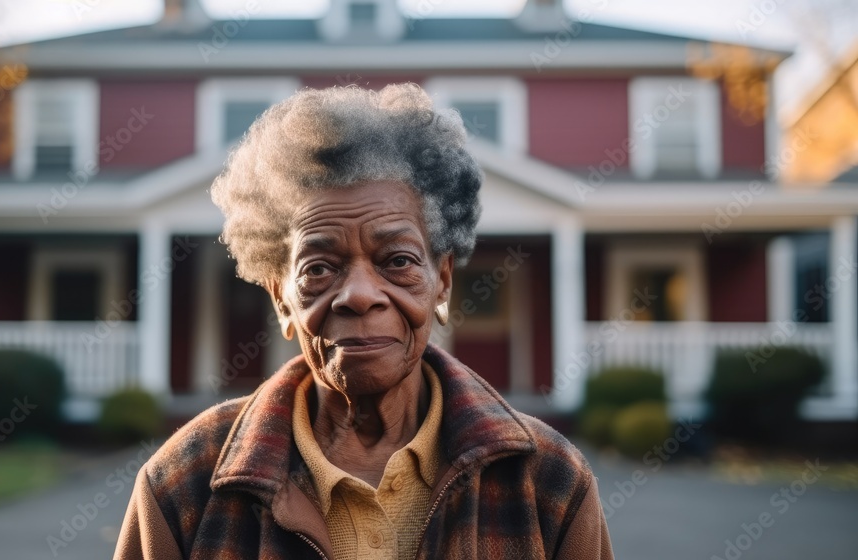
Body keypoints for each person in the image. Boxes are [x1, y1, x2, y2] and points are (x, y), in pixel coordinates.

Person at [113, 83, 613, 560]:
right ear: (282, 301)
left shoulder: (549, 481)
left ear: (441, 282)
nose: (358, 295)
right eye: (319, 269)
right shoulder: (185, 482)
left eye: (397, 261)